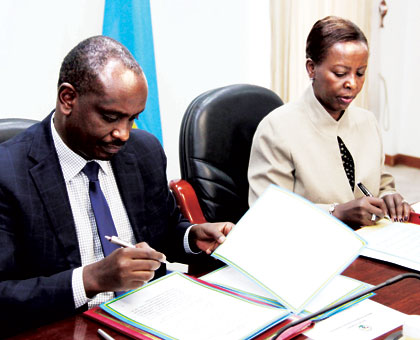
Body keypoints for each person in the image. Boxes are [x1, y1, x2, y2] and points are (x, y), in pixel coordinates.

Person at [0, 36, 233, 336]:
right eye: (110, 118)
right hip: (65, 328)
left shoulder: (143, 151)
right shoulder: (9, 173)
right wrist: (90, 279)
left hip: (151, 321)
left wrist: (191, 236)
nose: (123, 134)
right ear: (68, 99)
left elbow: (162, 233)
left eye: (132, 119)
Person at [248, 16, 410, 228]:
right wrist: (335, 213)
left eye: (360, 73)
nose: (352, 83)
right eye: (340, 73)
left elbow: (381, 184)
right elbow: (267, 213)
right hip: (309, 247)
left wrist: (390, 197)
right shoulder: (277, 129)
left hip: (371, 242)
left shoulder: (367, 121)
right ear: (311, 69)